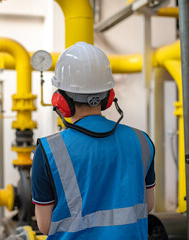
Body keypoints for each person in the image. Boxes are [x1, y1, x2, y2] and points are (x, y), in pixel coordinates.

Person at [31, 42, 155, 239]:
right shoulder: (141, 141)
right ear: (109, 97)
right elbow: (148, 205)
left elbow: (45, 226)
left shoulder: (49, 150)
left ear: (60, 101)